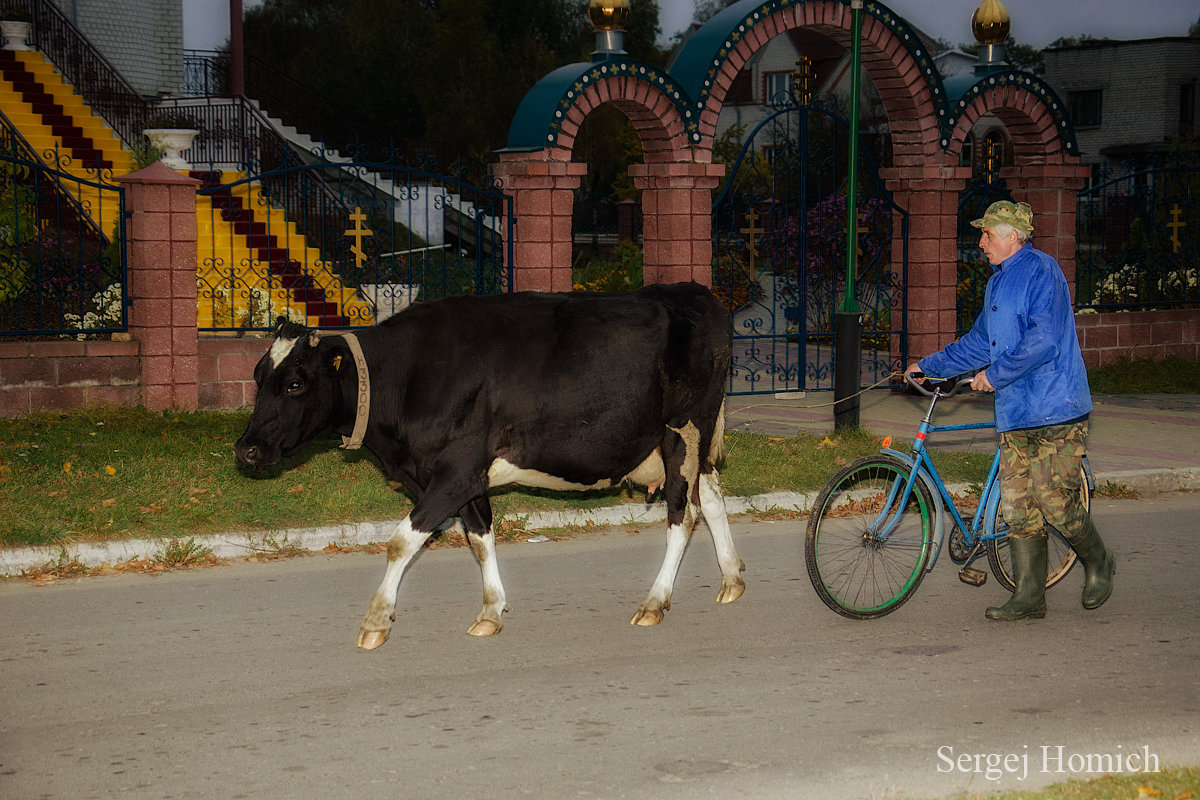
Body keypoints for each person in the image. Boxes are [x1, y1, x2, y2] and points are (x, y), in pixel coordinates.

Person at [904, 200, 1115, 621]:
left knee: (1055, 502)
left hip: (1056, 407)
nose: (980, 242)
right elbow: (980, 342)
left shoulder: (1043, 271)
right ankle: (1029, 596)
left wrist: (995, 376)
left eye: (987, 234)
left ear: (1013, 236)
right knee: (1019, 506)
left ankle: (1099, 562)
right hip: (1016, 411)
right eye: (981, 234)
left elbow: (1045, 340)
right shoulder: (998, 284)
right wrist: (930, 365)